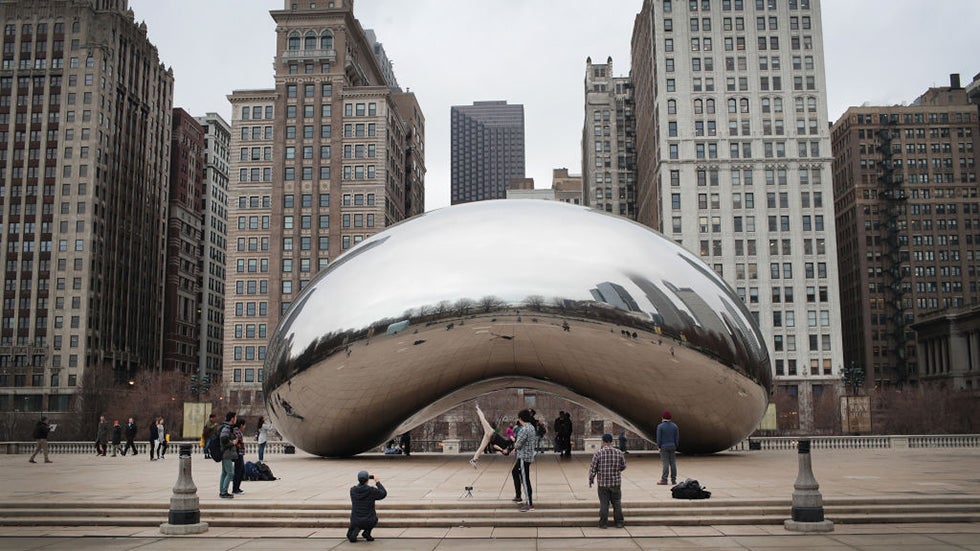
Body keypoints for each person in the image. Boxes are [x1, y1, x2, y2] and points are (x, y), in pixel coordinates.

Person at [589, 433, 626, 528]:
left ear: (603, 441)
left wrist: (591, 478)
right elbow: (623, 466)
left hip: (603, 483)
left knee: (604, 503)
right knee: (617, 503)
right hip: (615, 482)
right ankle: (619, 522)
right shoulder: (619, 452)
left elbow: (593, 467)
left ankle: (603, 523)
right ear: (611, 441)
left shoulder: (598, 453)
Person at [347, 470, 386, 542]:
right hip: (369, 520)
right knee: (375, 519)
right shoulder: (371, 490)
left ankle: (356, 529)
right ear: (367, 480)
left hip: (355, 520)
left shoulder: (352, 490)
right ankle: (367, 532)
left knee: (350, 533)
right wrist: (377, 482)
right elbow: (383, 494)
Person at [511, 408, 538, 512]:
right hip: (528, 456)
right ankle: (518, 496)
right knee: (514, 472)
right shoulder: (531, 427)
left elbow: (518, 444)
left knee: (525, 480)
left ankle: (529, 504)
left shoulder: (524, 429)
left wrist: (514, 445)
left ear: (520, 418)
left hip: (523, 457)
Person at [470, 404, 513, 468]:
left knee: (482, 447)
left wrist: (501, 450)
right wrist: (513, 438)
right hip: (491, 432)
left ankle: (474, 460)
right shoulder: (507, 444)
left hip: (489, 438)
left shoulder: (500, 449)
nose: (504, 452)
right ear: (507, 450)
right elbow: (512, 439)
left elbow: (494, 446)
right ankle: (477, 408)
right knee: (483, 420)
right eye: (505, 452)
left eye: (504, 453)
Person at [218, 411, 238, 498]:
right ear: (232, 419)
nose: (236, 419)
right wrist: (232, 443)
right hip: (227, 453)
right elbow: (223, 439)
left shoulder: (227, 427)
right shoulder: (227, 428)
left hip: (225, 452)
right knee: (230, 473)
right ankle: (224, 492)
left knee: (224, 472)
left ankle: (222, 491)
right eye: (235, 417)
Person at [656, 410, 680, 485]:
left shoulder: (660, 426)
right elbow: (677, 438)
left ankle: (664, 479)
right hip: (672, 445)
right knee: (673, 463)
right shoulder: (675, 426)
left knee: (665, 463)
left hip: (664, 446)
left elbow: (658, 438)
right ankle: (673, 479)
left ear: (663, 417)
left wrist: (659, 446)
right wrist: (676, 445)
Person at [232, 418, 247, 495]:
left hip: (240, 453)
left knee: (241, 471)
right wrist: (239, 444)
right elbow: (236, 440)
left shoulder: (237, 430)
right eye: (244, 425)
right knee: (238, 471)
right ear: (241, 425)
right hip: (238, 453)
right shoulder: (236, 431)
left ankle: (237, 487)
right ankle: (235, 489)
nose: (245, 427)